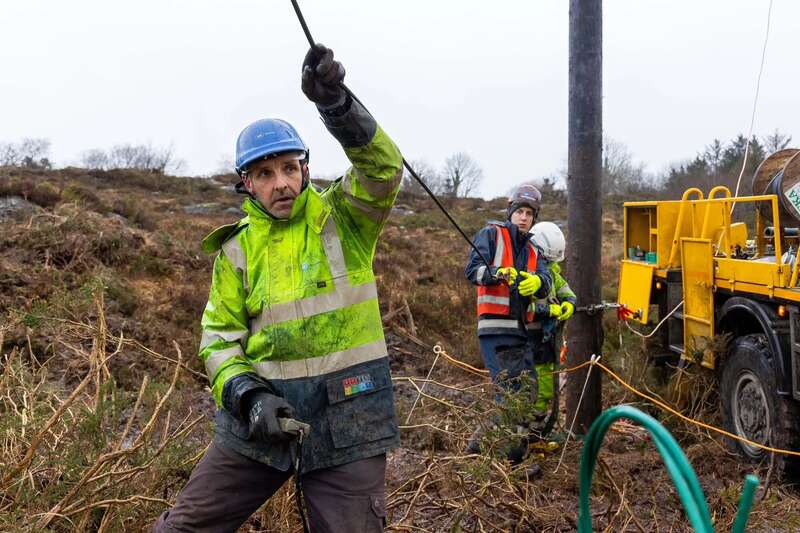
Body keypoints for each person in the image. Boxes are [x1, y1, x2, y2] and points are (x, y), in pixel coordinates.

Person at [154, 44, 403, 533]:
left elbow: (383, 170)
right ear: (246, 183)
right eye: (265, 174)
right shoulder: (235, 252)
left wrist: (337, 106)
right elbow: (219, 342)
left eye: (290, 168)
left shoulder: (345, 218)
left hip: (351, 420)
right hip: (262, 420)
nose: (282, 183)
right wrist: (249, 397)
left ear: (306, 169)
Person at [463, 184, 552, 458]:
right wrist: (497, 273)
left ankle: (483, 452)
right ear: (510, 212)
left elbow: (546, 281)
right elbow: (471, 271)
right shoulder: (491, 235)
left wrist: (538, 282)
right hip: (496, 330)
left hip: (521, 334)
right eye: (519, 211)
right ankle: (506, 459)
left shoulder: (534, 249)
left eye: (529, 213)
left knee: (525, 393)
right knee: (514, 395)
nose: (523, 217)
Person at [527, 221, 576, 431]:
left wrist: (568, 303)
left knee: (546, 383)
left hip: (546, 339)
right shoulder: (527, 271)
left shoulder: (552, 272)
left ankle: (538, 427)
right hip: (530, 338)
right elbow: (524, 307)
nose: (549, 263)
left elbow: (565, 290)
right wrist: (548, 311)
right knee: (533, 384)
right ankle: (530, 428)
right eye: (547, 259)